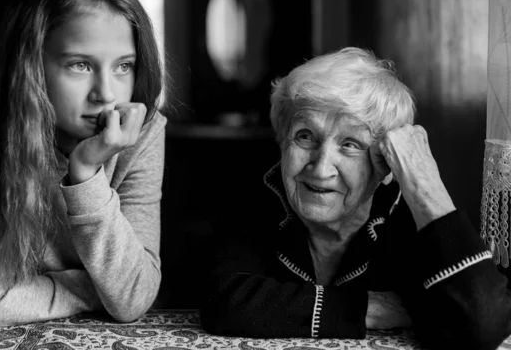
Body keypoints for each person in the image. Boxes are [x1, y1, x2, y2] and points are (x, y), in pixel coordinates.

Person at [200, 47, 511, 349]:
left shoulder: (407, 215)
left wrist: (425, 183)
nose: (321, 169)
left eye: (350, 144)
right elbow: (224, 301)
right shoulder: (257, 195)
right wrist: (365, 308)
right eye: (305, 136)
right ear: (283, 141)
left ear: (384, 161)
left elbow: (482, 323)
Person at [0, 0, 167, 327]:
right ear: (31, 63)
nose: (106, 93)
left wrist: (86, 174)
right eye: (80, 65)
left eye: (123, 66)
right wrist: (97, 288)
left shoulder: (143, 131)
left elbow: (134, 297)